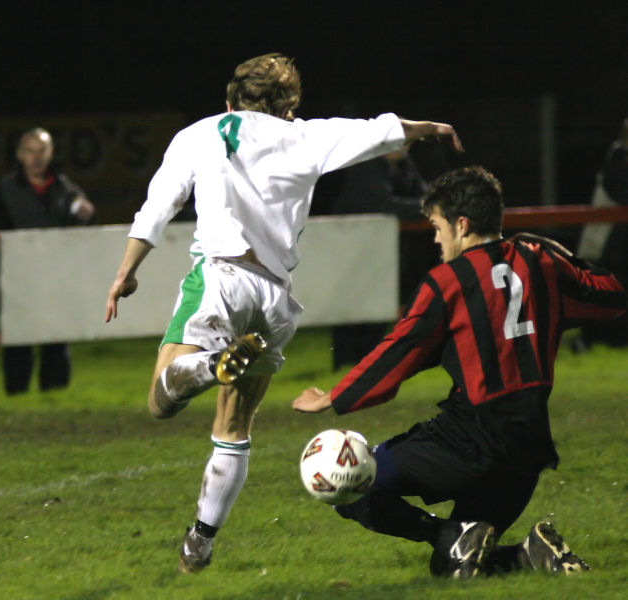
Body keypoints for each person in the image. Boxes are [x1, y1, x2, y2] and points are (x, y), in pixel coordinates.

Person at [104, 52, 463, 573]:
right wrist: (430, 128)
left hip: (221, 278)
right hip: (274, 299)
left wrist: (126, 271)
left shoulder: (198, 134)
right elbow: (381, 131)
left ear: (229, 100)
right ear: (290, 108)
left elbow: (158, 207)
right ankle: (199, 543)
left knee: (162, 401)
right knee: (234, 428)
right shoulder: (307, 136)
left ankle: (210, 363)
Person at [293, 166, 626, 579]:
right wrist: (562, 258)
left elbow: (400, 349)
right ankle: (530, 553)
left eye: (437, 227)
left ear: (462, 224)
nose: (435, 238)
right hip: (527, 450)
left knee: (349, 484)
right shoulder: (541, 262)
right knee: (453, 568)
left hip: (468, 439)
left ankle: (447, 532)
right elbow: (610, 298)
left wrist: (334, 396)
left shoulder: (446, 282)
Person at [0, 127, 95, 394]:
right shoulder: (4, 190)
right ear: (20, 155)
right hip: (18, 277)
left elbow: (86, 219)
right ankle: (16, 392)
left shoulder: (63, 187)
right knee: (18, 339)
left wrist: (86, 212)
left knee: (56, 339)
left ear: (51, 153)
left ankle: (55, 393)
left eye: (42, 150)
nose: (36, 157)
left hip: (56, 277)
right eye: (30, 151)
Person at [329, 147, 429, 369]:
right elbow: (383, 205)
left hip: (379, 244)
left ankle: (367, 361)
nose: (405, 146)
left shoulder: (403, 163)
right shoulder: (367, 163)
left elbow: (423, 193)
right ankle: (346, 363)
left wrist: (431, 202)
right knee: (350, 306)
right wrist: (430, 206)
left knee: (380, 303)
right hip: (350, 243)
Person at [574, 117, 628, 351]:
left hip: (617, 240)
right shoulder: (619, 157)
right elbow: (622, 193)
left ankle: (604, 338)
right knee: (606, 290)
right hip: (608, 241)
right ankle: (587, 339)